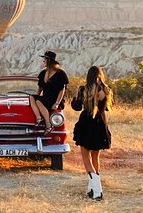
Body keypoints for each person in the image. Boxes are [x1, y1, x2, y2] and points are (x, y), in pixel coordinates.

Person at [71, 65, 113, 201]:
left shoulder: (83, 90)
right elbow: (107, 108)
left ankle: (97, 190)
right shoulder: (105, 90)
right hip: (100, 125)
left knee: (85, 158)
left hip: (86, 124)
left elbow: (76, 107)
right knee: (95, 157)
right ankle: (92, 189)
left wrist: (73, 99)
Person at [29, 51, 69, 132]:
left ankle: (48, 125)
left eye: (45, 59)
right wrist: (37, 97)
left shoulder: (60, 73)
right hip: (45, 98)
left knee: (39, 102)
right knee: (31, 97)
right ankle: (39, 118)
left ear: (50, 61)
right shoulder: (43, 73)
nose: (43, 61)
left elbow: (62, 89)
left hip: (55, 99)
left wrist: (57, 103)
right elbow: (40, 88)